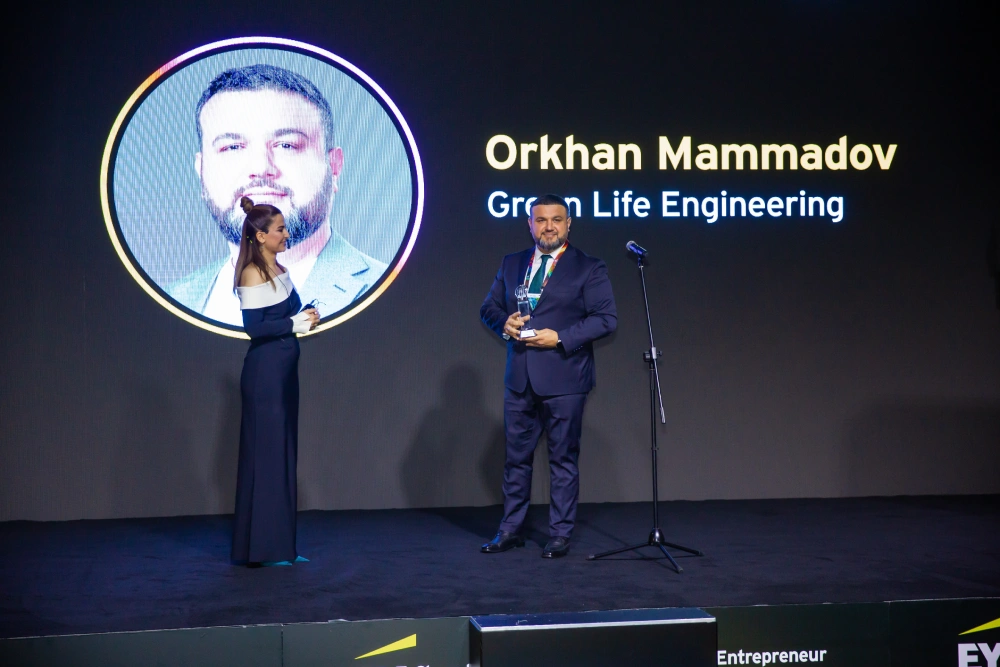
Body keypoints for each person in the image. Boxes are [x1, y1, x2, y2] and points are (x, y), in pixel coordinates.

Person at [168, 64, 387, 326]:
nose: (261, 168)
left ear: (335, 167)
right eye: (232, 147)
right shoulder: (172, 301)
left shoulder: (393, 292)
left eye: (286, 145)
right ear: (201, 170)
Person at [479, 194, 617, 558]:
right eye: (541, 220)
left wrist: (560, 338)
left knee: (563, 461)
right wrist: (504, 323)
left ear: (568, 224)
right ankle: (510, 530)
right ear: (530, 225)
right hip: (520, 379)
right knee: (516, 461)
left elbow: (606, 319)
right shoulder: (512, 263)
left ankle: (559, 534)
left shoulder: (589, 267)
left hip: (566, 380)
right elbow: (488, 307)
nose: (549, 227)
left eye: (556, 220)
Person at [231, 196, 319, 566]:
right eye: (280, 229)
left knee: (282, 455)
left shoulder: (279, 268)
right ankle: (262, 549)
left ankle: (282, 548)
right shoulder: (252, 273)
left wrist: (306, 316)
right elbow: (255, 328)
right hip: (265, 375)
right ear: (261, 236)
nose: (286, 234)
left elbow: (287, 314)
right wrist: (293, 324)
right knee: (267, 459)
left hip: (283, 373)